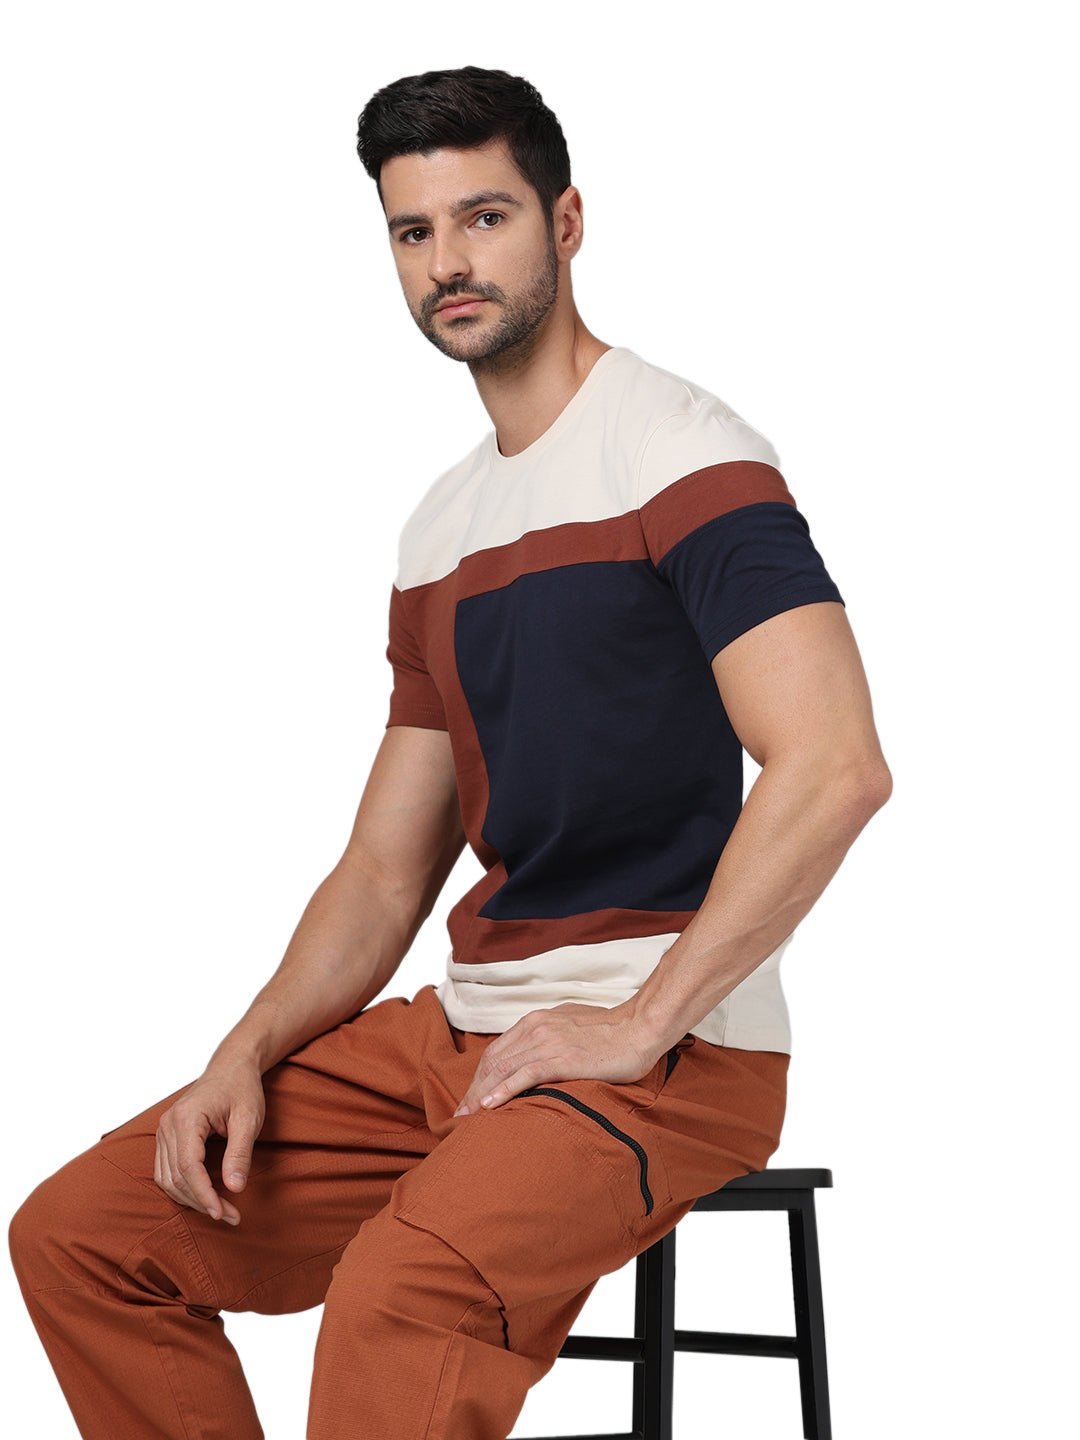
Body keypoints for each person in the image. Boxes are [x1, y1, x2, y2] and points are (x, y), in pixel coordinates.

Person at [9, 65, 892, 1440]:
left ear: (566, 222)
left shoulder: (683, 454)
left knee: (398, 1300)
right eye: (413, 233)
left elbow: (834, 763)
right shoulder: (441, 533)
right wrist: (243, 1049)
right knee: (84, 1235)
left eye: (484, 217)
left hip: (671, 1057)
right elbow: (383, 871)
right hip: (465, 1038)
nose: (447, 263)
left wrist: (639, 1023)